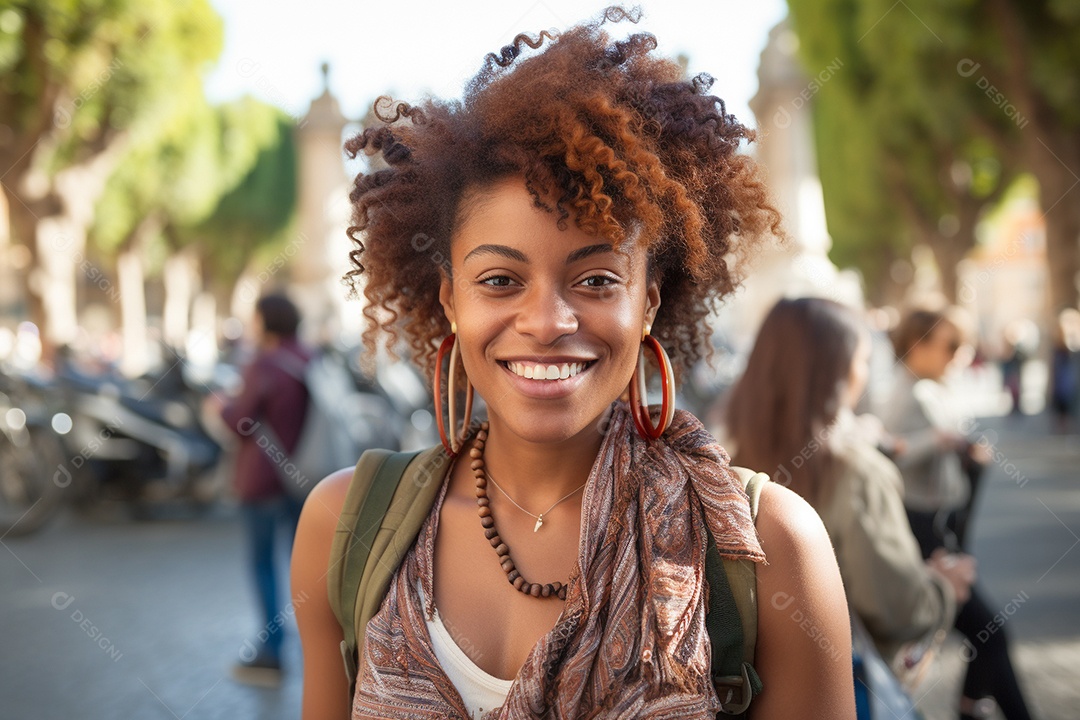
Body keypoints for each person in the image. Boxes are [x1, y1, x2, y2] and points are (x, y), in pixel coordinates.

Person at [291, 8, 855, 719]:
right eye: (499, 280)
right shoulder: (347, 524)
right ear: (450, 300)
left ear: (649, 302)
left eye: (595, 280)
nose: (547, 322)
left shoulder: (770, 549)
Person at [724, 297, 974, 680]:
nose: (864, 376)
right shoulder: (857, 473)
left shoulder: (719, 459)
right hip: (832, 691)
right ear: (838, 373)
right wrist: (942, 585)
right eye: (862, 362)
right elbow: (897, 608)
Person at [884, 308, 1035, 720]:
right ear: (918, 346)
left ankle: (984, 709)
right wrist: (938, 440)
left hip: (940, 530)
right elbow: (886, 453)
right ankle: (973, 709)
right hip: (922, 537)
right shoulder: (906, 392)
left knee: (989, 637)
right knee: (991, 635)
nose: (958, 353)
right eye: (950, 345)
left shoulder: (930, 387)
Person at [209, 293, 311, 686]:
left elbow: (240, 422)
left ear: (266, 322)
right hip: (304, 476)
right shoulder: (307, 358)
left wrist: (218, 407)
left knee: (263, 564)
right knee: (304, 566)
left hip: (263, 479)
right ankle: (322, 647)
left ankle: (271, 652)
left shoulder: (265, 363)